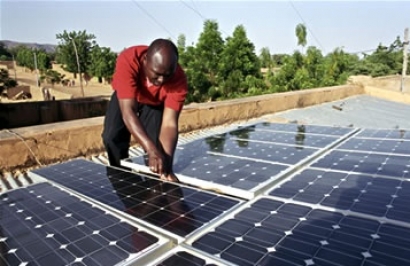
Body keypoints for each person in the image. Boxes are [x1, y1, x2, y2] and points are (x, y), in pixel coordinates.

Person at [102, 39, 188, 182]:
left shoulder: (178, 79)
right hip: (126, 97)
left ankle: (154, 181)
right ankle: (122, 176)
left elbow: (170, 124)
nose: (161, 80)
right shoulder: (129, 59)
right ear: (145, 60)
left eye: (167, 75)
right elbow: (128, 111)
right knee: (112, 137)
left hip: (154, 103)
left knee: (157, 148)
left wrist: (166, 167)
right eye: (157, 73)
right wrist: (150, 149)